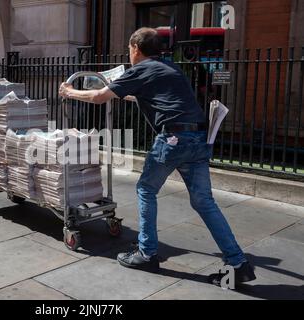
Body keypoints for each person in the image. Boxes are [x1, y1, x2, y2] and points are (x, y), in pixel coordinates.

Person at [58, 27, 257, 288]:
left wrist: (69, 91)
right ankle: (238, 263)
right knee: (204, 202)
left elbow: (98, 97)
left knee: (145, 189)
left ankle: (147, 253)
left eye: (130, 50)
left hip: (173, 139)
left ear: (136, 49)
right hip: (199, 139)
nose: (129, 55)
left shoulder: (141, 69)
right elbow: (152, 96)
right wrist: (122, 92)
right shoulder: (169, 68)